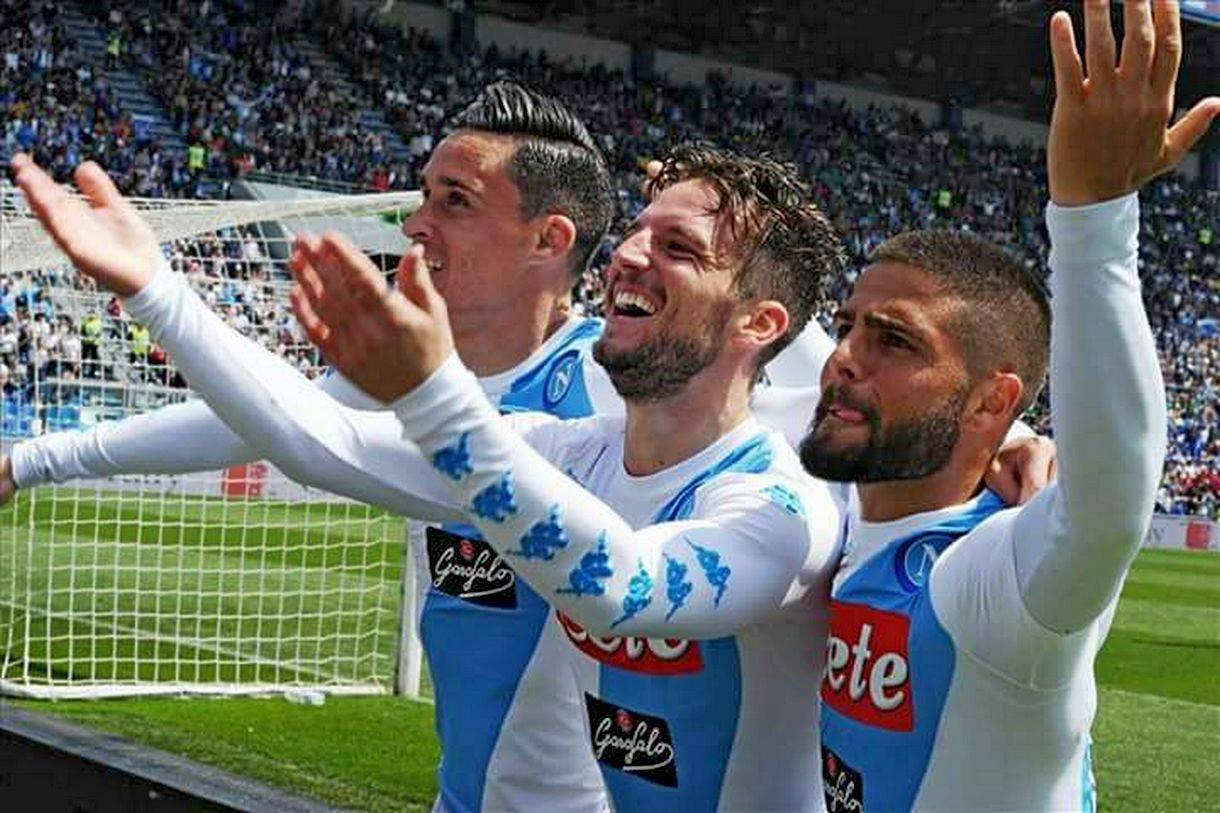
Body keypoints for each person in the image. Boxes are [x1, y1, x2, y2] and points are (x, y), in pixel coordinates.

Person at [0, 84, 851, 812]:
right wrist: (155, 291)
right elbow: (315, 433)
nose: (416, 225)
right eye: (636, 233)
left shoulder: (768, 498)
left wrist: (432, 396)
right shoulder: (567, 446)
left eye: (454, 201)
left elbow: (624, 585)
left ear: (550, 239)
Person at [798, 2, 1219, 810]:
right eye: (846, 325)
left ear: (991, 400)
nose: (844, 354)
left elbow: (1104, 516)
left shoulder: (983, 582)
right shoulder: (840, 511)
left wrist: (1094, 220)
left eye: (894, 340)